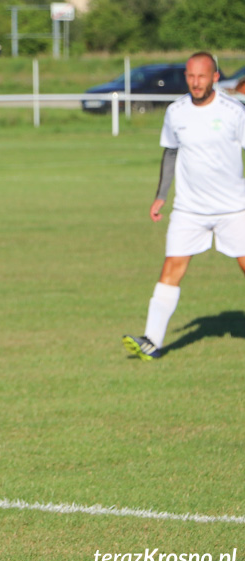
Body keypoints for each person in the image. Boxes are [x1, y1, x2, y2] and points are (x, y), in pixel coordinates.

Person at [123, 52, 245, 360]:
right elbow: (170, 153)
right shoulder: (175, 112)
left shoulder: (235, 111)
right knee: (171, 269)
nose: (195, 82)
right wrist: (161, 195)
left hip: (234, 209)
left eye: (202, 76)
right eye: (190, 76)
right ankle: (152, 341)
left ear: (215, 77)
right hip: (189, 209)